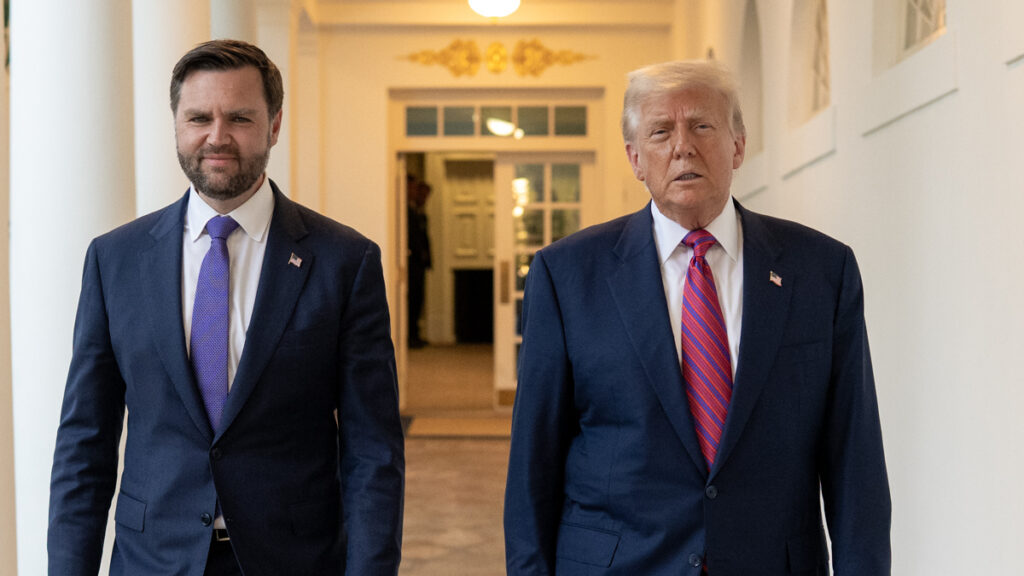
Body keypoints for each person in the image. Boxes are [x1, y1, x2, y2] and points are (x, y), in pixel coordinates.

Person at [504, 60, 890, 575]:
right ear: (635, 158)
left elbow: (855, 460)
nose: (682, 146)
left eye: (702, 125)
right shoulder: (567, 275)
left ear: (738, 145)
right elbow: (534, 465)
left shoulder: (821, 270)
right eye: (661, 131)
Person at [47, 40, 404, 576]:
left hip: (294, 560)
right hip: (151, 560)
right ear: (176, 125)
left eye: (239, 117)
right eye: (198, 118)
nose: (217, 137)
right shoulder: (115, 259)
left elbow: (373, 449)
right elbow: (85, 442)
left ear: (274, 125)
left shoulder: (344, 262)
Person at [407, 177, 432, 348]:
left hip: (419, 263)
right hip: (412, 263)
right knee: (413, 299)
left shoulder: (418, 211)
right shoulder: (407, 211)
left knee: (418, 299)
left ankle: (414, 334)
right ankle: (410, 335)